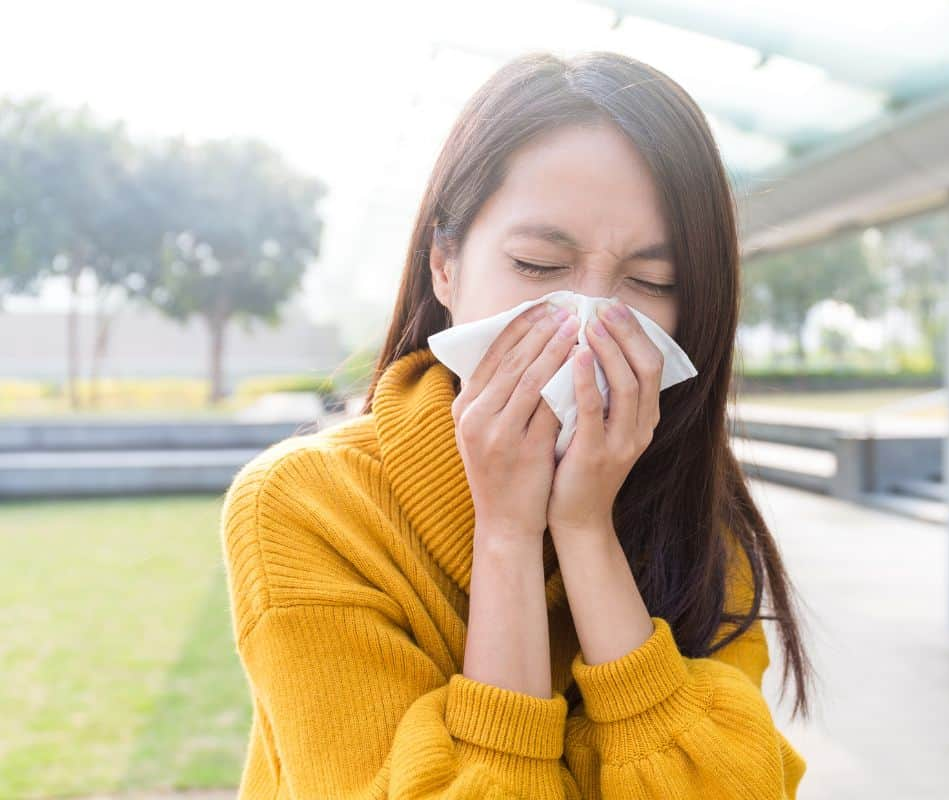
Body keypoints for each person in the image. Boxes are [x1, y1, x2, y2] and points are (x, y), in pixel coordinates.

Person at [221, 50, 814, 799]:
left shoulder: (698, 516)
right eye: (538, 264)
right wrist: (504, 533)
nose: (588, 323)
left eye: (650, 282)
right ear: (445, 266)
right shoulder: (307, 506)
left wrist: (587, 532)